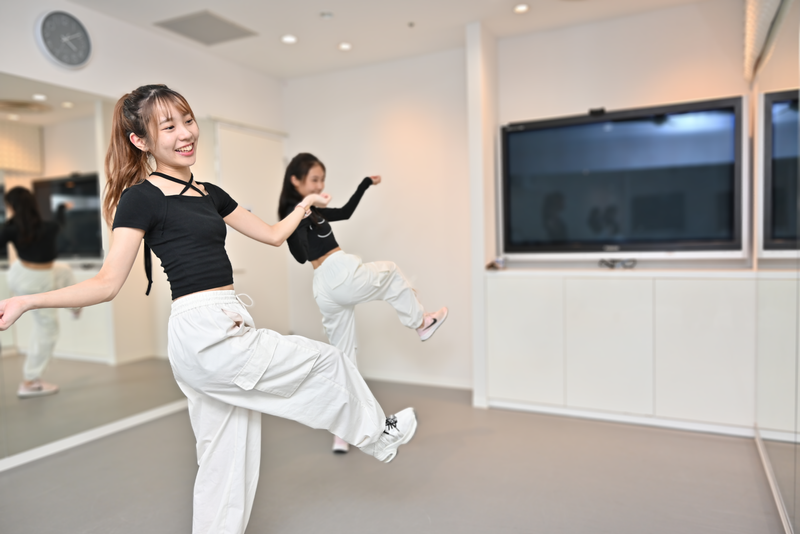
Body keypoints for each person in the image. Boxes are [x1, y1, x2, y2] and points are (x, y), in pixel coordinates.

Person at [0, 85, 418, 534]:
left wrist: (304, 205)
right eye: (169, 126)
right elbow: (106, 283)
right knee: (327, 361)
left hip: (219, 323)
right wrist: (27, 300)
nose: (186, 133)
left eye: (188, 120)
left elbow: (273, 235)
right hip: (205, 330)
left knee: (225, 459)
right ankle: (378, 434)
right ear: (140, 141)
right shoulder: (141, 198)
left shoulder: (211, 193)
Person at [278, 153, 448, 453]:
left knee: (343, 359)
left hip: (325, 288)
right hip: (337, 274)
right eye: (314, 180)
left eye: (322, 179)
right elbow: (301, 255)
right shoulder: (295, 213)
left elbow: (345, 212)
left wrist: (365, 183)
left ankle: (342, 432)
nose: (320, 185)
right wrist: (302, 213)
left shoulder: (313, 211)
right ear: (295, 180)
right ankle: (421, 322)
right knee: (391, 272)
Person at [0, 186, 80, 398]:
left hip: (20, 273)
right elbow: (60, 224)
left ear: (12, 206)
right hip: (35, 279)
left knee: (64, 271)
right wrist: (62, 208)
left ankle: (75, 306)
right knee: (48, 328)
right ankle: (30, 381)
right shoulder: (49, 226)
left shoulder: (11, 228)